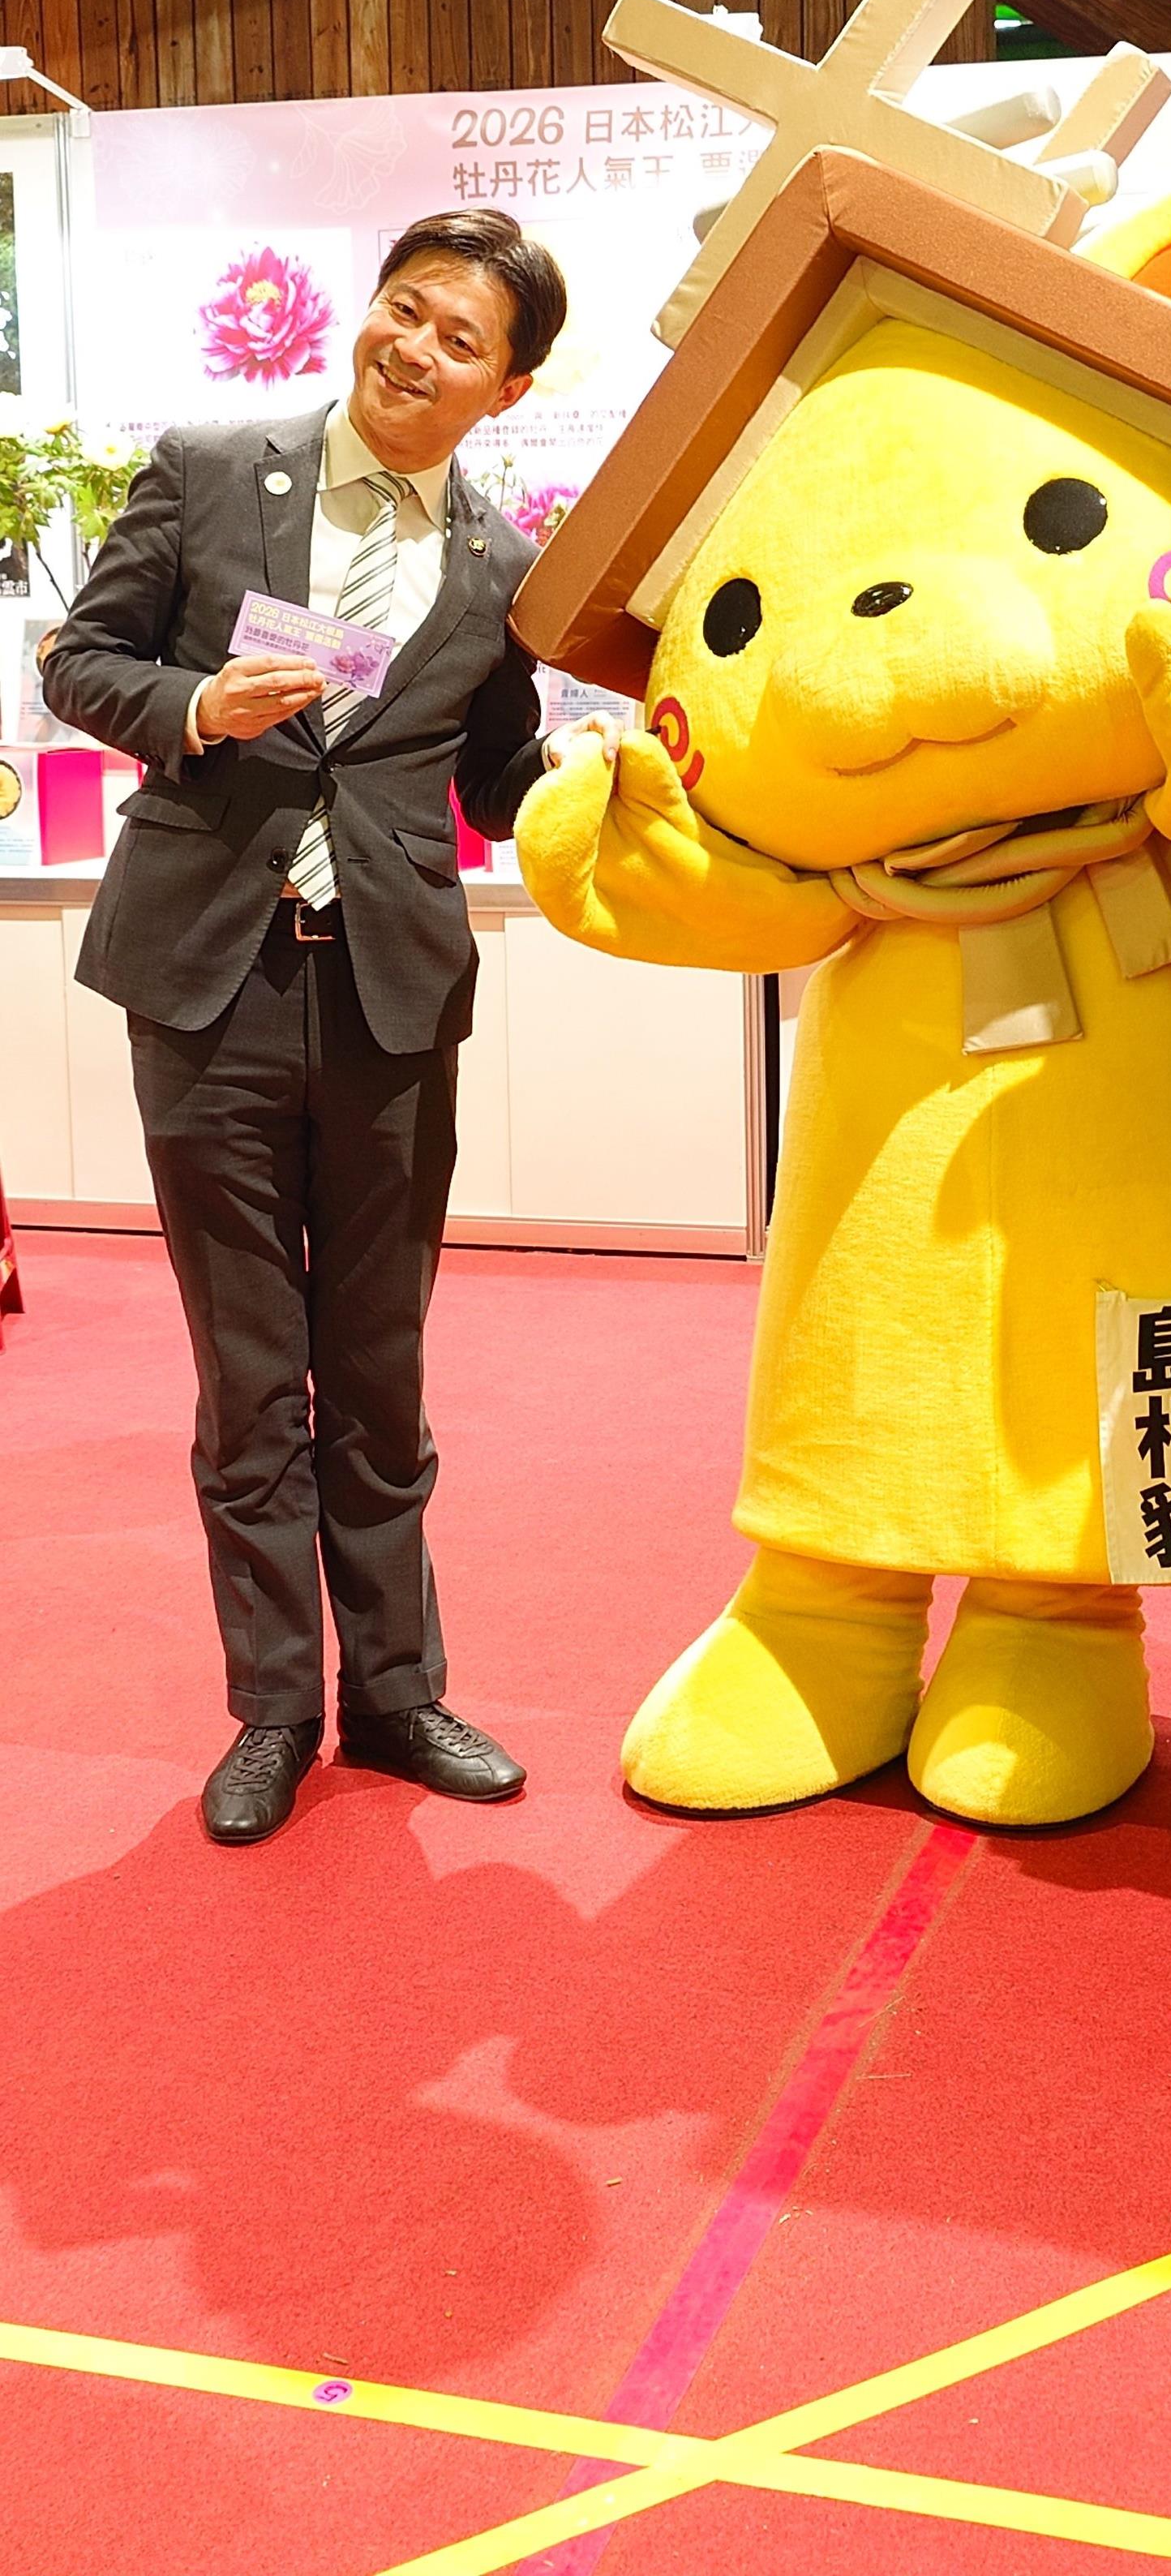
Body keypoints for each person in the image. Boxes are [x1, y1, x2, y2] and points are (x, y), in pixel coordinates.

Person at [44, 208, 591, 1847]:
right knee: (246, 1371)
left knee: (376, 1363)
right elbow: (83, 659)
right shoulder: (215, 468)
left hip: (386, 994)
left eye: (458, 339)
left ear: (510, 387)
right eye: (402, 310)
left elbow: (495, 769)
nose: (411, 350)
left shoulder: (500, 562)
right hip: (209, 981)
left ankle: (400, 1692)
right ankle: (275, 1706)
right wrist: (195, 706)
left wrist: (594, 785)